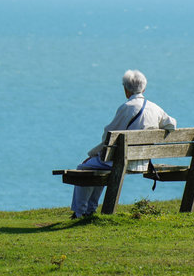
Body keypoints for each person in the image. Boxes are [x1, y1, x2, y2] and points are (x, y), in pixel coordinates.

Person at [71, 69, 177, 219]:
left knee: (84, 167)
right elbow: (172, 125)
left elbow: (109, 136)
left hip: (121, 161)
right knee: (97, 166)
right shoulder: (155, 108)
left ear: (126, 90)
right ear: (144, 88)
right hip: (142, 161)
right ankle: (89, 209)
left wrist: (93, 154)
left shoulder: (126, 108)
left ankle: (81, 212)